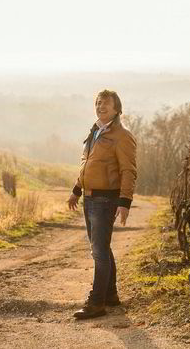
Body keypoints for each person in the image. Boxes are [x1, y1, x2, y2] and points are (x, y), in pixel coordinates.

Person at [67, 89, 137, 320]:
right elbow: (87, 164)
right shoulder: (96, 130)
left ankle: (96, 303)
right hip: (89, 197)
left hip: (105, 199)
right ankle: (111, 295)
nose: (100, 107)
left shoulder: (122, 136)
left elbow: (129, 170)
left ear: (117, 108)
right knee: (102, 248)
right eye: (98, 103)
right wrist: (76, 191)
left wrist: (125, 202)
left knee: (98, 252)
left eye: (106, 104)